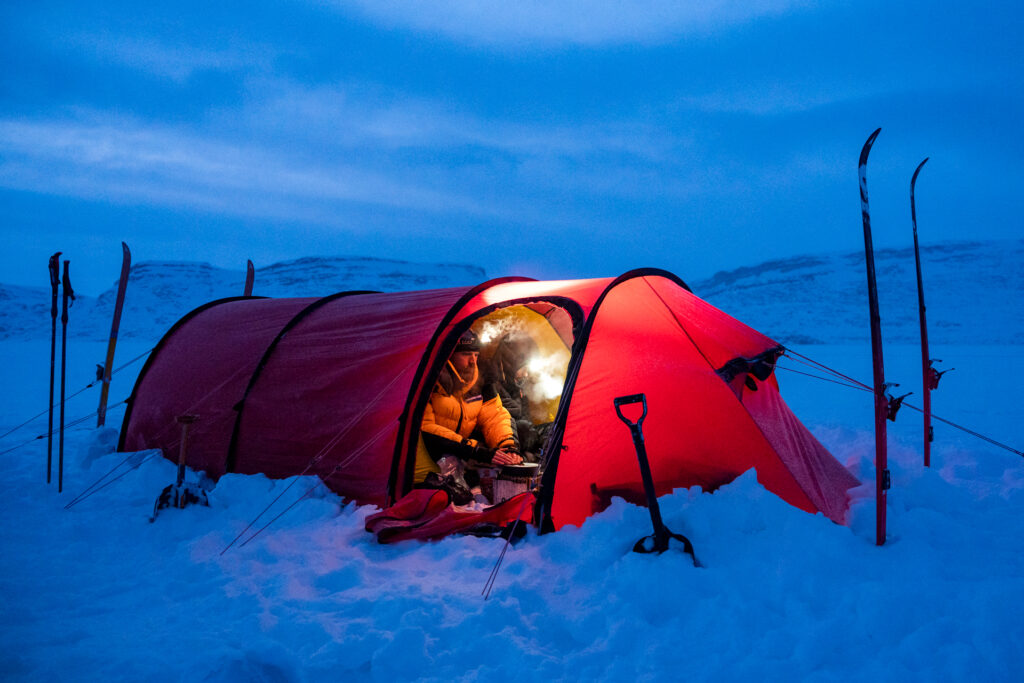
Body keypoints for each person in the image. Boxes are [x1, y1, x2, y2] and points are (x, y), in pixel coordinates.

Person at [418, 329, 522, 502]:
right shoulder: (430, 380)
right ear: (449, 354)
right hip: (432, 451)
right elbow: (426, 427)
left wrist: (507, 447)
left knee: (521, 440)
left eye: (476, 354)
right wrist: (475, 450)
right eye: (466, 354)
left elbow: (494, 415)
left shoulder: (480, 380)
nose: (473, 361)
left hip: (463, 450)